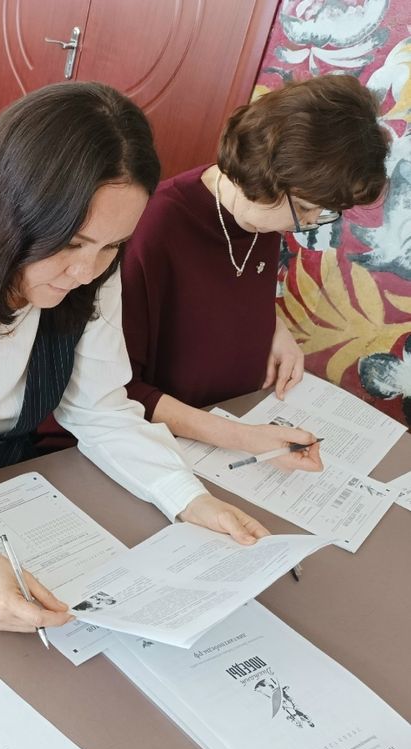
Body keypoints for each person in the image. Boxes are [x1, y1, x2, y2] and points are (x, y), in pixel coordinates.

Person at [0, 83, 270, 635]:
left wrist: (188, 498)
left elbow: (100, 410)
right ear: (8, 209)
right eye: (72, 242)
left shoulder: (94, 275)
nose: (86, 271)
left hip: (22, 497)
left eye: (112, 246)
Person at [116, 75, 388, 470]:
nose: (308, 223)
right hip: (170, 446)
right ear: (266, 176)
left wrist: (274, 327)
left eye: (322, 211)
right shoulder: (155, 229)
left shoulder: (261, 217)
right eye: (306, 208)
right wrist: (243, 437)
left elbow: (222, 290)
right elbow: (119, 391)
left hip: (238, 417)